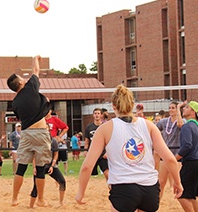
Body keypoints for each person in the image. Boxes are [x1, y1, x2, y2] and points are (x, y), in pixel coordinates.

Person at [75, 84, 183, 212]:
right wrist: (178, 182)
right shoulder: (149, 125)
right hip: (149, 188)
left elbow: (87, 166)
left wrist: (80, 193)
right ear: (132, 105)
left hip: (123, 188)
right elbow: (170, 159)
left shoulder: (105, 129)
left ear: (113, 106)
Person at [7, 55, 52, 207]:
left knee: (21, 167)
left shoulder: (15, 102)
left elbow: (21, 118)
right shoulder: (31, 87)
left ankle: (14, 198)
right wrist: (35, 58)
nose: (24, 78)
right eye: (21, 77)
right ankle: (40, 199)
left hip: (26, 134)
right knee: (40, 168)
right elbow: (36, 70)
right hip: (40, 132)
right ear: (20, 82)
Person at [30, 124, 66, 208]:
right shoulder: (37, 141)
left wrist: (52, 166)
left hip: (50, 165)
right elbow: (34, 155)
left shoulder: (53, 141)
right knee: (36, 187)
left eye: (46, 128)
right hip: (39, 165)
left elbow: (56, 154)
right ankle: (31, 206)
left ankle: (61, 203)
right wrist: (34, 167)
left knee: (62, 181)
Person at [156, 102, 184, 199]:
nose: (171, 109)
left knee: (177, 182)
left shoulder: (181, 120)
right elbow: (154, 129)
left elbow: (180, 124)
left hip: (177, 153)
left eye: (173, 108)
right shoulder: (163, 122)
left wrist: (179, 110)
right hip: (166, 152)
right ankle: (157, 202)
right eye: (170, 108)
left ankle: (181, 201)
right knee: (161, 182)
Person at [175, 101, 198, 211]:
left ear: (193, 111)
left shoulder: (187, 126)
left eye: (187, 107)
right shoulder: (196, 126)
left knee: (181, 194)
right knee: (191, 195)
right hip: (196, 163)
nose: (184, 109)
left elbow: (187, 145)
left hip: (190, 163)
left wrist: (175, 158)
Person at [84, 108, 109, 180]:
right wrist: (86, 150)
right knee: (87, 172)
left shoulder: (105, 126)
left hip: (102, 154)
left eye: (98, 113)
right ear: (93, 115)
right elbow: (87, 140)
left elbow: (108, 141)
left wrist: (107, 152)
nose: (97, 115)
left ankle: (111, 187)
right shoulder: (89, 127)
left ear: (101, 115)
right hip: (92, 154)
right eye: (95, 113)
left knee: (107, 173)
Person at [45, 109, 69, 174]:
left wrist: (59, 137)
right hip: (43, 142)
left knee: (55, 159)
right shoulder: (41, 120)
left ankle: (55, 173)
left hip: (52, 142)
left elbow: (65, 127)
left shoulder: (54, 119)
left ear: (50, 111)